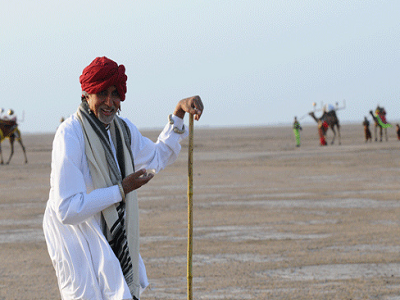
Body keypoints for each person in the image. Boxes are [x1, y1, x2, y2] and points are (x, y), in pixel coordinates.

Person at [42, 56, 204, 300]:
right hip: (78, 242)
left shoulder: (122, 130)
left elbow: (157, 156)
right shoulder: (70, 134)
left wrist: (178, 112)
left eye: (115, 94)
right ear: (87, 94)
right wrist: (120, 190)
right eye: (102, 93)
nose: (109, 102)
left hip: (115, 237)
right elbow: (67, 210)